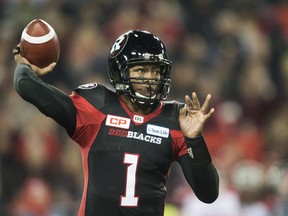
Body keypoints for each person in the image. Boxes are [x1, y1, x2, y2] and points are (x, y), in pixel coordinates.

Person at [13, 30, 219, 216]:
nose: (150, 79)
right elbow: (26, 86)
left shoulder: (176, 118)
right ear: (120, 72)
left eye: (155, 71)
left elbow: (208, 194)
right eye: (140, 71)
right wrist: (25, 67)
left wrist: (194, 141)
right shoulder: (96, 106)